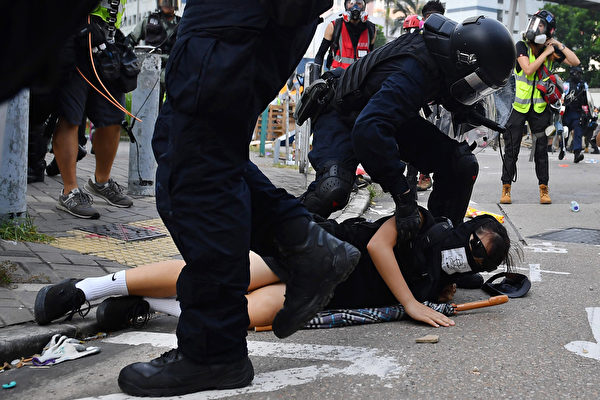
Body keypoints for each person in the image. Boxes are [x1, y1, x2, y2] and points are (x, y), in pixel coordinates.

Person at [113, 1, 362, 397]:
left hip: (236, 20)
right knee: (197, 151)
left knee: (197, 172)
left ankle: (213, 350)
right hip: (241, 22)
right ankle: (305, 245)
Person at [34, 211, 512, 332]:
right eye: (475, 244)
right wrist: (409, 302)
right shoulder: (422, 220)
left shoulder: (443, 279)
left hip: (328, 295)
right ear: (465, 227)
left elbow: (467, 283)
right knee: (226, 274)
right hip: (317, 251)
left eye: (482, 259)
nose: (472, 257)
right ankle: (87, 288)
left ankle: (146, 304)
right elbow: (376, 243)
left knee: (249, 317)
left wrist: (437, 294)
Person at [299, 14, 515, 232]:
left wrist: (466, 109)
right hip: (343, 113)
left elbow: (448, 89)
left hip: (387, 112)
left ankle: (442, 241)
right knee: (331, 190)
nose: (476, 88)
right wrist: (403, 196)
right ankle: (281, 234)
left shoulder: (449, 54)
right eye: (477, 82)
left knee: (461, 164)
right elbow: (369, 130)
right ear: (464, 61)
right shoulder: (415, 70)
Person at [51, 0, 136, 219]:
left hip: (105, 41)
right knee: (70, 116)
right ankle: (69, 191)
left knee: (113, 117)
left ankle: (102, 181)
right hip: (75, 34)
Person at [499, 10, 579, 205]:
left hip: (540, 109)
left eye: (541, 25)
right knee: (512, 150)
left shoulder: (551, 49)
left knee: (541, 151)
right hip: (518, 107)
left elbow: (575, 61)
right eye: (535, 22)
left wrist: (557, 45)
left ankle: (544, 189)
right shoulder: (522, 46)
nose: (536, 27)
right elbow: (527, 70)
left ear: (548, 30)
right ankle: (506, 188)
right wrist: (546, 53)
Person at [126, 0, 181, 104]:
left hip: (174, 71)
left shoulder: (181, 24)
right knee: (149, 107)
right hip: (151, 70)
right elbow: (131, 40)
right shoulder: (149, 21)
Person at [313, 0, 376, 71]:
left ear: (364, 7)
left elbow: (371, 56)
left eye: (359, 3)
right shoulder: (334, 26)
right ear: (346, 6)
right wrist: (316, 77)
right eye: (351, 3)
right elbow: (320, 55)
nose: (355, 7)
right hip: (338, 76)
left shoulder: (371, 28)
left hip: (361, 76)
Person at [563, 66, 592, 163]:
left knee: (578, 132)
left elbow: (588, 100)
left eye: (580, 74)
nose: (579, 76)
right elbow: (562, 98)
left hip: (577, 112)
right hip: (567, 112)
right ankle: (562, 149)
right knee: (565, 132)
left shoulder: (583, 85)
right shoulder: (566, 84)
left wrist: (588, 113)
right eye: (577, 74)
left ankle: (577, 153)